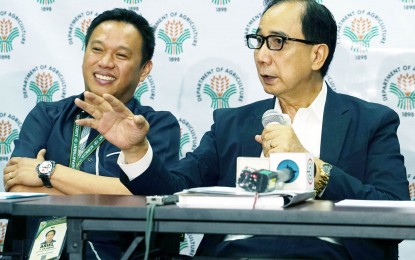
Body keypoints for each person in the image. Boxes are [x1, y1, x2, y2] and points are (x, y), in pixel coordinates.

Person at [74, 0, 410, 259]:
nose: (262, 56)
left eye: (277, 42)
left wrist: (313, 169)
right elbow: (174, 189)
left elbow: (393, 213)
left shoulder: (370, 122)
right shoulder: (231, 125)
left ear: (317, 55)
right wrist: (136, 151)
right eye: (259, 41)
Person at [3, 8, 180, 259]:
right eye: (96, 50)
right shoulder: (46, 115)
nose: (106, 62)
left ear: (144, 69)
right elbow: (18, 184)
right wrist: (112, 192)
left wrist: (49, 172)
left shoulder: (156, 126)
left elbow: (148, 199)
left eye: (121, 55)